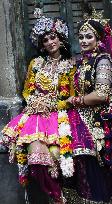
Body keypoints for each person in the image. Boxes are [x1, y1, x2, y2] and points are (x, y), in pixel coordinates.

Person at [62, 7, 112, 204]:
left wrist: (72, 101)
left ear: (98, 39)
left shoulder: (104, 61)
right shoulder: (82, 62)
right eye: (81, 36)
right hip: (83, 118)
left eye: (88, 36)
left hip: (104, 120)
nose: (83, 40)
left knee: (105, 166)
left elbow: (100, 94)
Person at [1, 8, 75, 204]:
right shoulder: (36, 64)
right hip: (35, 115)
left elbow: (72, 97)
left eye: (53, 38)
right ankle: (54, 197)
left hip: (58, 115)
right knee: (36, 159)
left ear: (60, 39)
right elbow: (27, 90)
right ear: (41, 45)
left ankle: (59, 195)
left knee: (56, 156)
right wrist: (34, 101)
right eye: (45, 40)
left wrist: (53, 103)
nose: (50, 42)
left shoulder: (70, 65)